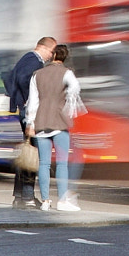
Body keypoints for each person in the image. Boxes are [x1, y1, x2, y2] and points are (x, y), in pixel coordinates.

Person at [24, 43, 83, 212]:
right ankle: (63, 201)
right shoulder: (67, 73)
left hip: (41, 122)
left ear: (53, 55)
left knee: (43, 164)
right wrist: (66, 105)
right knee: (62, 163)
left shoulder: (37, 74)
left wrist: (30, 123)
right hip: (60, 122)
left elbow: (32, 101)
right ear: (64, 57)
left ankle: (45, 201)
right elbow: (75, 90)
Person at [4, 37, 55, 208]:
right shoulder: (33, 60)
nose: (51, 55)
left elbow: (11, 78)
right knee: (33, 153)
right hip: (30, 112)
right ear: (42, 47)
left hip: (25, 109)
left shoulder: (27, 59)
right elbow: (24, 79)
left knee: (28, 152)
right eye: (51, 51)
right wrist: (29, 99)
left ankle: (20, 196)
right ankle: (26, 196)